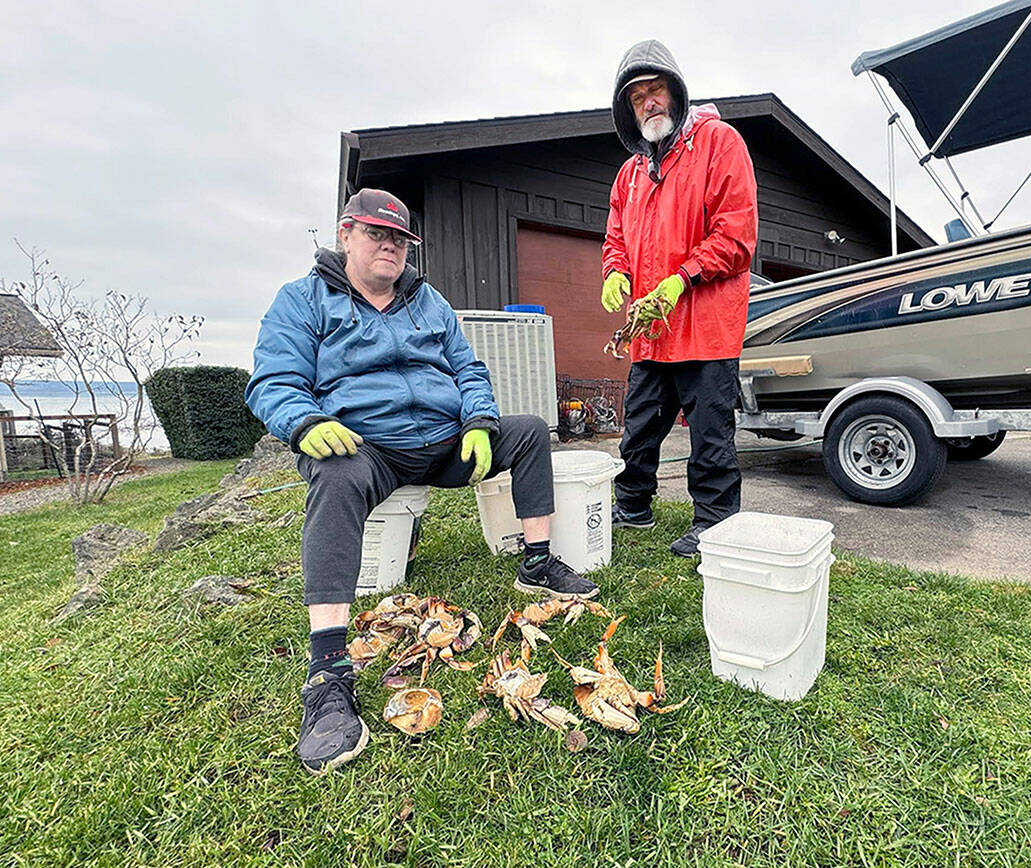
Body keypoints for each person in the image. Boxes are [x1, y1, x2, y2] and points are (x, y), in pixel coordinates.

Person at [246, 188, 596, 775]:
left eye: (401, 239)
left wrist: (481, 421)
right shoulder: (303, 300)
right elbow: (272, 380)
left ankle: (536, 563)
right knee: (333, 477)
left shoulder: (428, 301)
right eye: (377, 234)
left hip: (444, 443)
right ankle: (329, 671)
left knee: (532, 429)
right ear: (345, 234)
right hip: (367, 447)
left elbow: (467, 368)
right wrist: (303, 421)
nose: (391, 246)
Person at [601, 40, 758, 557]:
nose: (648, 103)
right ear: (628, 109)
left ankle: (714, 524)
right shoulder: (630, 174)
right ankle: (634, 507)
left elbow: (736, 237)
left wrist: (680, 278)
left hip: (707, 325)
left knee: (710, 435)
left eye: (656, 89)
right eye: (637, 97)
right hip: (650, 330)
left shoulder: (720, 142)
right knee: (639, 429)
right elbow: (616, 239)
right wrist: (615, 272)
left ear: (676, 90)